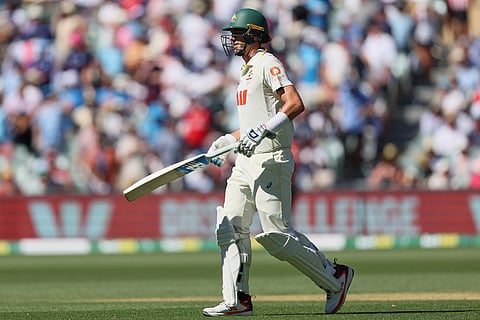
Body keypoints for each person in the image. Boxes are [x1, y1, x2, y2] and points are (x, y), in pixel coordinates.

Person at [203, 8, 354, 317]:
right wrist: (226, 141)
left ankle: (334, 278)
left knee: (277, 235)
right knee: (230, 226)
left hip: (271, 158)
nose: (232, 40)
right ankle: (237, 300)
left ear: (254, 36)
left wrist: (264, 129)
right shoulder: (244, 73)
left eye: (238, 34)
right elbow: (251, 126)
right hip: (245, 162)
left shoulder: (268, 63)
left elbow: (295, 103)